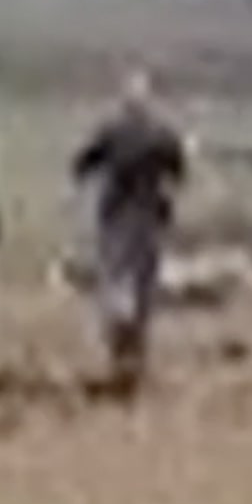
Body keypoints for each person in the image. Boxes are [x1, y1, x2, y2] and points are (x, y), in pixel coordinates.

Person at [71, 69, 187, 395]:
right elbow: (178, 173)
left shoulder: (110, 131)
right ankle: (136, 353)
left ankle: (118, 348)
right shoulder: (162, 134)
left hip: (117, 216)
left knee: (115, 278)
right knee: (143, 283)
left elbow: (81, 164)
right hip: (149, 216)